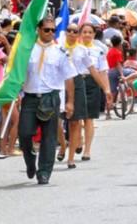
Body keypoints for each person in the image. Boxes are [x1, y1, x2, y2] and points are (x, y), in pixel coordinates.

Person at [18, 17, 76, 184]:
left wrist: (70, 102)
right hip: (29, 97)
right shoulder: (27, 49)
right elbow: (16, 71)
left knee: (49, 137)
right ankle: (30, 160)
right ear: (39, 30)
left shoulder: (60, 52)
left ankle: (44, 172)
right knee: (25, 134)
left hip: (50, 97)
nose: (50, 33)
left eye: (53, 30)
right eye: (47, 30)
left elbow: (69, 78)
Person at [79, 23, 113, 160]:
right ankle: (78, 140)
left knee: (89, 118)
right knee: (76, 118)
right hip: (76, 83)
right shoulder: (74, 49)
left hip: (93, 84)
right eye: (84, 32)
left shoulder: (99, 51)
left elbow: (103, 72)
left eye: (90, 32)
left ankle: (87, 150)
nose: (87, 35)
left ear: (94, 34)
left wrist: (107, 90)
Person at [61, 23, 91, 169]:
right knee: (55, 121)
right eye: (69, 31)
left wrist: (106, 89)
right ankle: (62, 146)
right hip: (59, 84)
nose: (72, 33)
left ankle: (70, 158)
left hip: (78, 83)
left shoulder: (82, 50)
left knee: (74, 122)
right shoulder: (58, 48)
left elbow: (92, 68)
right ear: (65, 32)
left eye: (75, 31)